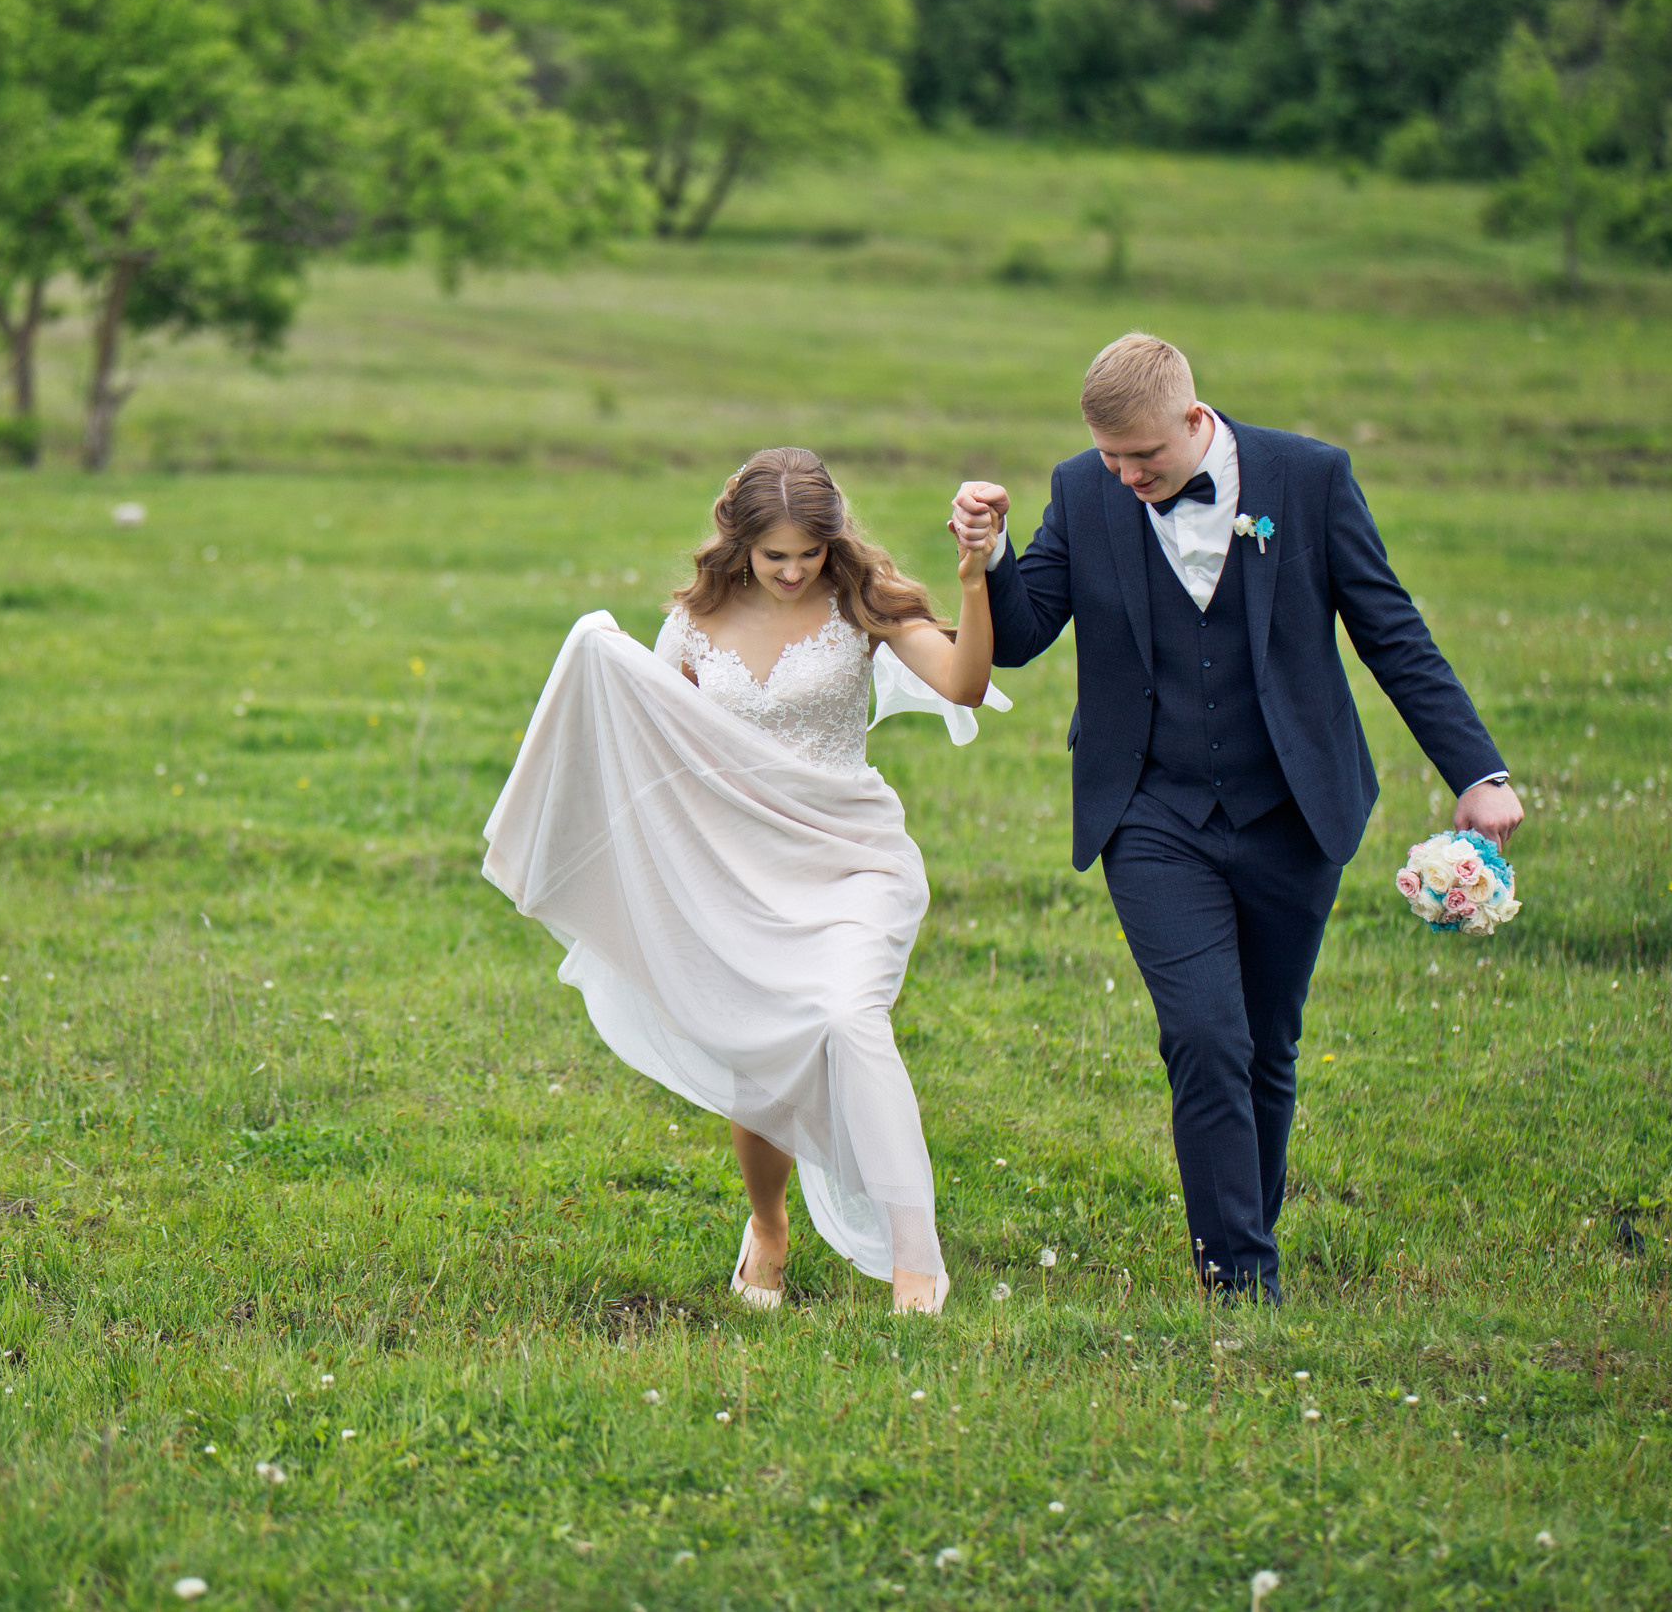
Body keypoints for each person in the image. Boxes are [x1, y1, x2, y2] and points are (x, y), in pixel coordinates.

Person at [950, 333, 1522, 1304]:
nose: (1129, 476)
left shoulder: (1307, 479)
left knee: (1265, 1039)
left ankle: (1241, 1235)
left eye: (1147, 459)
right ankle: (1239, 1279)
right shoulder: (1084, 491)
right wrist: (989, 553)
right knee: (1204, 1036)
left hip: (1291, 807)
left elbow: (1390, 629)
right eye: (1112, 458)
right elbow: (1026, 636)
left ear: (1192, 416)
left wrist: (1476, 771)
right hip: (1149, 809)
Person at [484, 449, 1002, 1314]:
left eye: (809, 552)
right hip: (741, 866)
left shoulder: (861, 603)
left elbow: (966, 681)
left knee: (844, 1018)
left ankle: (916, 1264)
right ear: (740, 544)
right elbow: (656, 740)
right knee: (761, 1055)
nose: (795, 571)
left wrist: (974, 578)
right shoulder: (694, 621)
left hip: (850, 858)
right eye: (776, 557)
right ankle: (768, 1225)